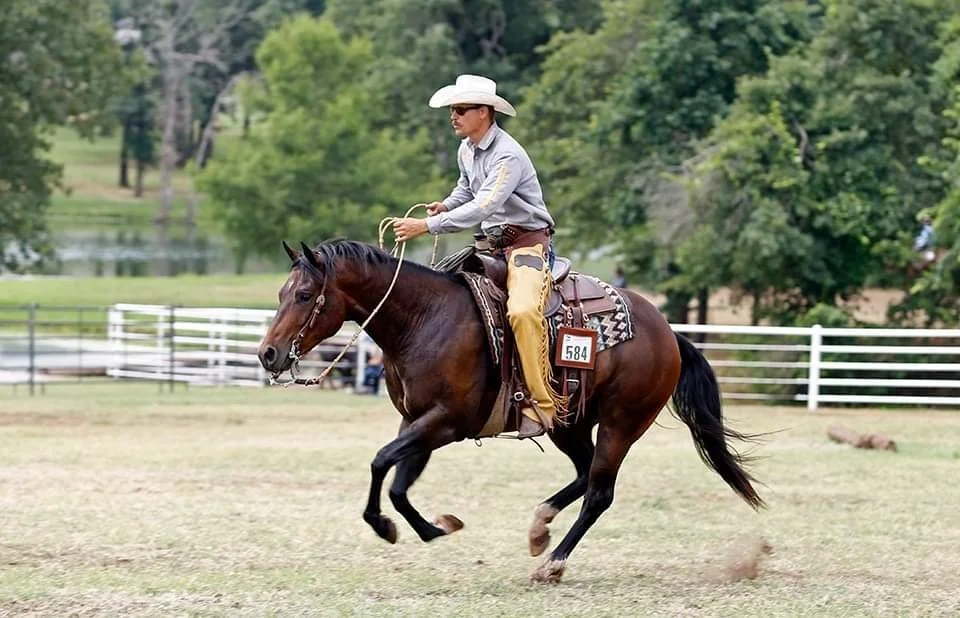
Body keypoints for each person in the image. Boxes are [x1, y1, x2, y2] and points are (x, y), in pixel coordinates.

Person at [392, 74, 560, 439]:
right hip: (491, 247)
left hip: (526, 246)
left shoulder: (508, 155)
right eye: (453, 110)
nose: (454, 116)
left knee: (523, 311)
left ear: (485, 112)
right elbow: (466, 190)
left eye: (462, 110)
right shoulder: (467, 148)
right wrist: (444, 206)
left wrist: (427, 226)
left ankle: (541, 404)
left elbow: (484, 204)